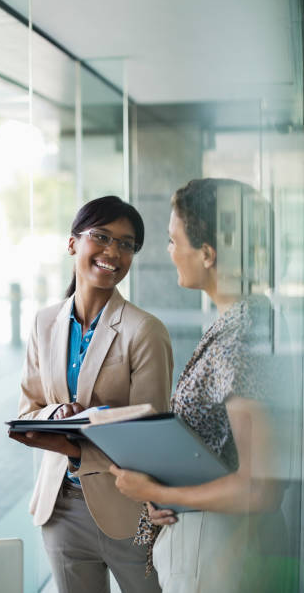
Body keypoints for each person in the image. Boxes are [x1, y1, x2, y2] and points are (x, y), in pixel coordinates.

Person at [110, 178, 286, 593]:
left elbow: (260, 487)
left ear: (208, 254)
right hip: (212, 538)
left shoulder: (241, 339)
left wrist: (154, 490)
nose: (169, 252)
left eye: (174, 241)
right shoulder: (244, 322)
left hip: (216, 547)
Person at [9, 195, 173, 593]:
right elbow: (29, 408)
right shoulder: (44, 322)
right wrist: (59, 413)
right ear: (72, 243)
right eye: (101, 236)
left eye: (126, 243)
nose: (113, 251)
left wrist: (79, 448)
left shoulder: (144, 330)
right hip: (60, 506)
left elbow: (151, 438)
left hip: (128, 509)